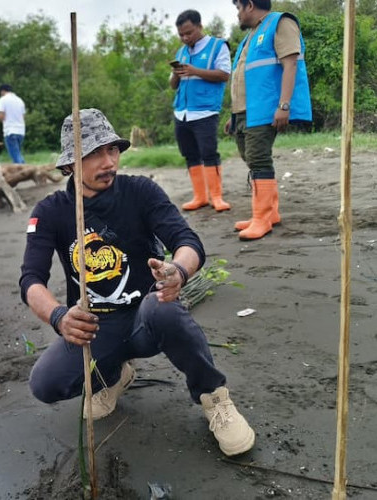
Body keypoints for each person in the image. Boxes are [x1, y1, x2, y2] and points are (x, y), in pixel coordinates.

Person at [19, 109, 255, 457]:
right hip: (97, 326)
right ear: (70, 164)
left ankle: (214, 398)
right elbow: (31, 280)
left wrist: (178, 270)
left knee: (163, 309)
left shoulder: (141, 191)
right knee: (45, 384)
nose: (108, 162)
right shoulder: (51, 211)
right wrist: (58, 316)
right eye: (94, 154)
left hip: (150, 313)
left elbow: (187, 241)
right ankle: (113, 376)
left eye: (111, 150)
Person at [227, 0, 312, 240]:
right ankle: (269, 213)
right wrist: (233, 114)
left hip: (265, 108)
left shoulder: (280, 23)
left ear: (250, 5)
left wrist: (284, 105)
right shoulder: (252, 35)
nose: (237, 15)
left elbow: (290, 64)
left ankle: (262, 218)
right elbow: (245, 76)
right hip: (245, 110)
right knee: (251, 158)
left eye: (238, 8)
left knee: (258, 158)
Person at [170, 10, 231, 212]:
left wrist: (194, 71)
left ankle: (217, 197)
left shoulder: (217, 46)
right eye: (181, 35)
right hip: (182, 111)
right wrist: (176, 74)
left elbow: (224, 74)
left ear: (199, 26)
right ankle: (200, 196)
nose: (185, 38)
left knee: (209, 153)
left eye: (188, 33)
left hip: (205, 111)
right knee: (190, 154)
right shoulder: (181, 52)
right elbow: (172, 85)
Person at [0, 84, 26, 164]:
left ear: (2, 91)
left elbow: (1, 116)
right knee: (18, 154)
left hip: (10, 131)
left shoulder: (3, 99)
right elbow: (23, 116)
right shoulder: (20, 100)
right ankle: (27, 171)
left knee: (16, 157)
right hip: (21, 131)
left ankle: (23, 173)